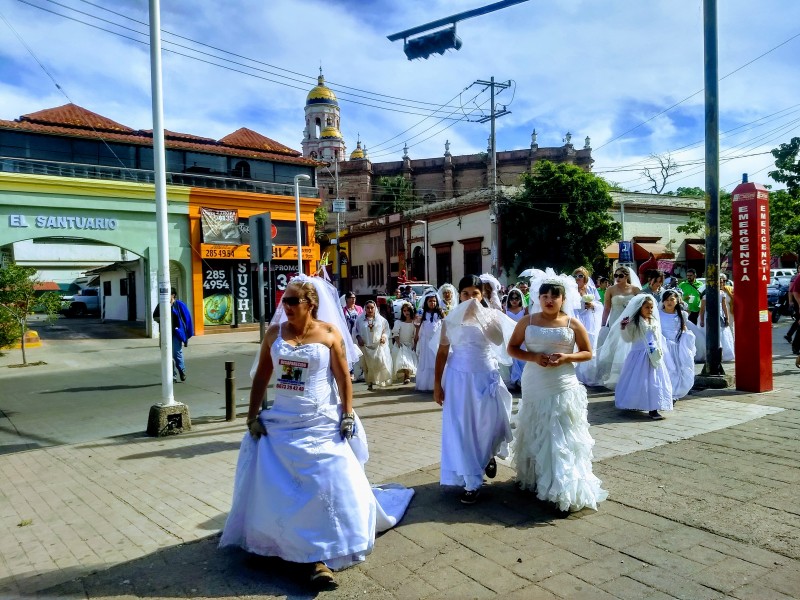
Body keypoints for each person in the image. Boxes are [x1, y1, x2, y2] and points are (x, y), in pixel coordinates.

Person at [219, 276, 414, 587]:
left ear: (311, 304)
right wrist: (252, 416)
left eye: (293, 301)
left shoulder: (329, 333)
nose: (286, 306)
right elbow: (261, 379)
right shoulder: (274, 334)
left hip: (321, 420)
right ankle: (275, 543)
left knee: (326, 482)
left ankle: (320, 557)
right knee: (274, 481)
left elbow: (343, 378)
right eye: (284, 300)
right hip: (283, 421)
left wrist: (347, 415)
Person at [507, 276, 608, 514]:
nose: (549, 300)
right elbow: (512, 348)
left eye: (554, 296)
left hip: (563, 382)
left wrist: (567, 358)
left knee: (561, 434)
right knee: (538, 428)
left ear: (563, 299)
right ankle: (536, 479)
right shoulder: (527, 321)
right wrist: (533, 357)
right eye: (545, 296)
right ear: (538, 298)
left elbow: (587, 352)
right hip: (535, 381)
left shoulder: (571, 322)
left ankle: (562, 487)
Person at [433, 275, 515, 505]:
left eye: (475, 293)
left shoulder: (491, 316)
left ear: (482, 295)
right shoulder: (450, 320)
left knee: (490, 423)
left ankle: (487, 455)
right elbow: (442, 353)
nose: (470, 298)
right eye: (466, 293)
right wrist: (436, 385)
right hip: (458, 379)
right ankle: (471, 481)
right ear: (460, 295)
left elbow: (499, 341)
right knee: (463, 428)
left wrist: (482, 320)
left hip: (485, 375)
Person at [613, 294, 673, 420]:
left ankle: (654, 408)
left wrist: (659, 351)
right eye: (647, 307)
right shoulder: (634, 322)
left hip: (653, 355)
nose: (650, 310)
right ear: (640, 308)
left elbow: (657, 337)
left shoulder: (654, 321)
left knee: (654, 381)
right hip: (639, 355)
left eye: (651, 307)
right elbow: (628, 339)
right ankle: (634, 402)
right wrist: (624, 327)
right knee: (637, 380)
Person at [594, 266, 642, 385]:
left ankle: (629, 374)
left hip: (630, 322)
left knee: (629, 347)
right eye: (616, 276)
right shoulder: (610, 290)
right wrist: (603, 324)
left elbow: (641, 307)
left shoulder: (635, 290)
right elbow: (606, 308)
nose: (617, 278)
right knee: (614, 348)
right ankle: (613, 375)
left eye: (620, 276)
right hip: (615, 321)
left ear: (626, 276)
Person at [659, 290, 696, 400]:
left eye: (672, 299)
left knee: (677, 369)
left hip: (677, 346)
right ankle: (664, 391)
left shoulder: (682, 314)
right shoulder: (658, 314)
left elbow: (683, 328)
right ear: (663, 302)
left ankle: (674, 392)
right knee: (667, 368)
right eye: (666, 300)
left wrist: (687, 339)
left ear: (677, 301)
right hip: (664, 346)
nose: (669, 302)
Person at [152, 287, 193, 383]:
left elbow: (187, 319)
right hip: (164, 333)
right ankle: (172, 376)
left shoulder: (179, 305)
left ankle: (181, 370)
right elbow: (155, 316)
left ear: (173, 295)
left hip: (176, 333)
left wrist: (187, 334)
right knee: (166, 355)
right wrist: (162, 319)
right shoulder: (161, 305)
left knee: (177, 353)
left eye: (168, 294)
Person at [572, 267, 602, 386]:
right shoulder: (572, 291)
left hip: (590, 321)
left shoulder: (590, 289)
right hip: (577, 319)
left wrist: (592, 305)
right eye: (575, 276)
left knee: (591, 344)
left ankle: (589, 375)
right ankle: (578, 375)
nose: (577, 278)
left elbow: (600, 304)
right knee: (578, 345)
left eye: (580, 276)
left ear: (585, 278)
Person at [355, 301, 393, 390]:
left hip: (378, 346)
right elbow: (355, 331)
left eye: (372, 307)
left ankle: (381, 380)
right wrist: (358, 338)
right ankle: (370, 383)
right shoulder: (360, 320)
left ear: (375, 308)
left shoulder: (381, 320)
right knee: (367, 365)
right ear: (365, 309)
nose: (370, 310)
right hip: (365, 346)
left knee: (380, 361)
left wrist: (384, 337)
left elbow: (386, 330)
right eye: (368, 308)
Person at [699, 274, 735, 362]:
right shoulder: (706, 293)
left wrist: (727, 317)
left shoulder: (722, 293)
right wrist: (702, 320)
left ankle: (722, 354)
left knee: (722, 334)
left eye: (722, 282)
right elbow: (702, 309)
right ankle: (710, 354)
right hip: (708, 316)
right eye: (719, 283)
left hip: (720, 316)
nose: (721, 284)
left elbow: (724, 306)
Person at [414, 292, 444, 392]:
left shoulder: (440, 312)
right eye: (430, 301)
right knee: (427, 361)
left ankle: (438, 383)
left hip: (437, 341)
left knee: (436, 360)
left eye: (434, 301)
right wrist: (416, 337)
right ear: (426, 302)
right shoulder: (422, 313)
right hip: (425, 341)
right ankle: (427, 384)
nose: (432, 303)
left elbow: (445, 323)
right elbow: (417, 325)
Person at [503, 287, 528, 389]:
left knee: (522, 358)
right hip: (510, 336)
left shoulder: (524, 310)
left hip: (522, 337)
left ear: (520, 299)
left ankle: (523, 380)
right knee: (513, 358)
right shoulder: (505, 310)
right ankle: (515, 379)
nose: (514, 301)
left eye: (516, 298)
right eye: (512, 298)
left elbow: (527, 323)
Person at [391, 302, 418, 384]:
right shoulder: (398, 322)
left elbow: (415, 334)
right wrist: (398, 343)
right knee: (403, 361)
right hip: (401, 344)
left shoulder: (414, 323)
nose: (407, 312)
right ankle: (406, 376)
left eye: (408, 310)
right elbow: (395, 333)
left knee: (408, 362)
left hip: (410, 344)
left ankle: (407, 376)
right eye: (405, 310)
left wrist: (415, 344)